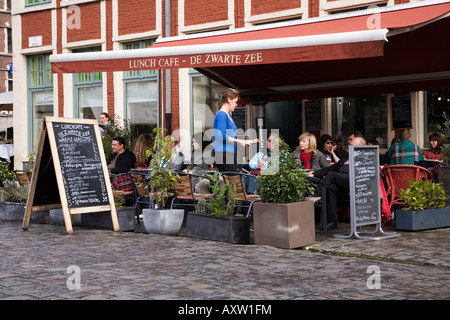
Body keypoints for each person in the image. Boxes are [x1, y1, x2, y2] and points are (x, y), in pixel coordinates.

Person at [310, 136, 367, 231]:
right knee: (331, 188)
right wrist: (314, 174)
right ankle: (332, 221)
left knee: (332, 175)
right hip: (342, 182)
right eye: (349, 145)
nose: (349, 147)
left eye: (352, 145)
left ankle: (316, 196)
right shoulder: (346, 157)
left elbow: (364, 175)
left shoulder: (364, 157)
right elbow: (331, 168)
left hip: (356, 183)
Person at [213, 88, 250, 172]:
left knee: (231, 181)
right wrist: (240, 141)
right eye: (235, 102)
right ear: (229, 100)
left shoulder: (228, 115)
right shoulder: (222, 114)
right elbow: (220, 136)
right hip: (223, 153)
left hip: (228, 153)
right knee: (234, 180)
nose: (236, 105)